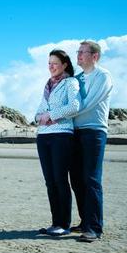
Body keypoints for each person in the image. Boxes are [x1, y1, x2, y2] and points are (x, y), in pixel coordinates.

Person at [69, 41, 113, 242]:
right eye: (77, 52)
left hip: (94, 132)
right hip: (74, 132)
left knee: (91, 178)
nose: (78, 55)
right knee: (76, 179)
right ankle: (84, 220)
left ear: (95, 56)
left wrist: (62, 113)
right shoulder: (76, 78)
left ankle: (94, 228)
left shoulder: (102, 76)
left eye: (82, 52)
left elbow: (88, 103)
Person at [35, 49, 80, 236]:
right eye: (49, 63)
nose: (51, 66)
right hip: (43, 136)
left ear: (65, 65)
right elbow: (38, 112)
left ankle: (64, 224)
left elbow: (75, 106)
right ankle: (55, 223)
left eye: (55, 63)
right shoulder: (47, 85)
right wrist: (41, 117)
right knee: (50, 182)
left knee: (60, 180)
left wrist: (51, 115)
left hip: (61, 136)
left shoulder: (71, 82)